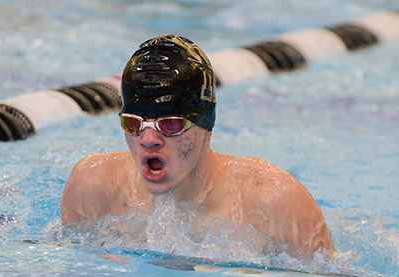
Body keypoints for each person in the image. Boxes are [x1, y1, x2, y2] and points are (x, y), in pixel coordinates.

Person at [61, 34, 334, 258]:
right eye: (134, 123)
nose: (147, 139)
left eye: (169, 124)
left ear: (206, 126)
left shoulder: (273, 199)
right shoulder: (93, 184)